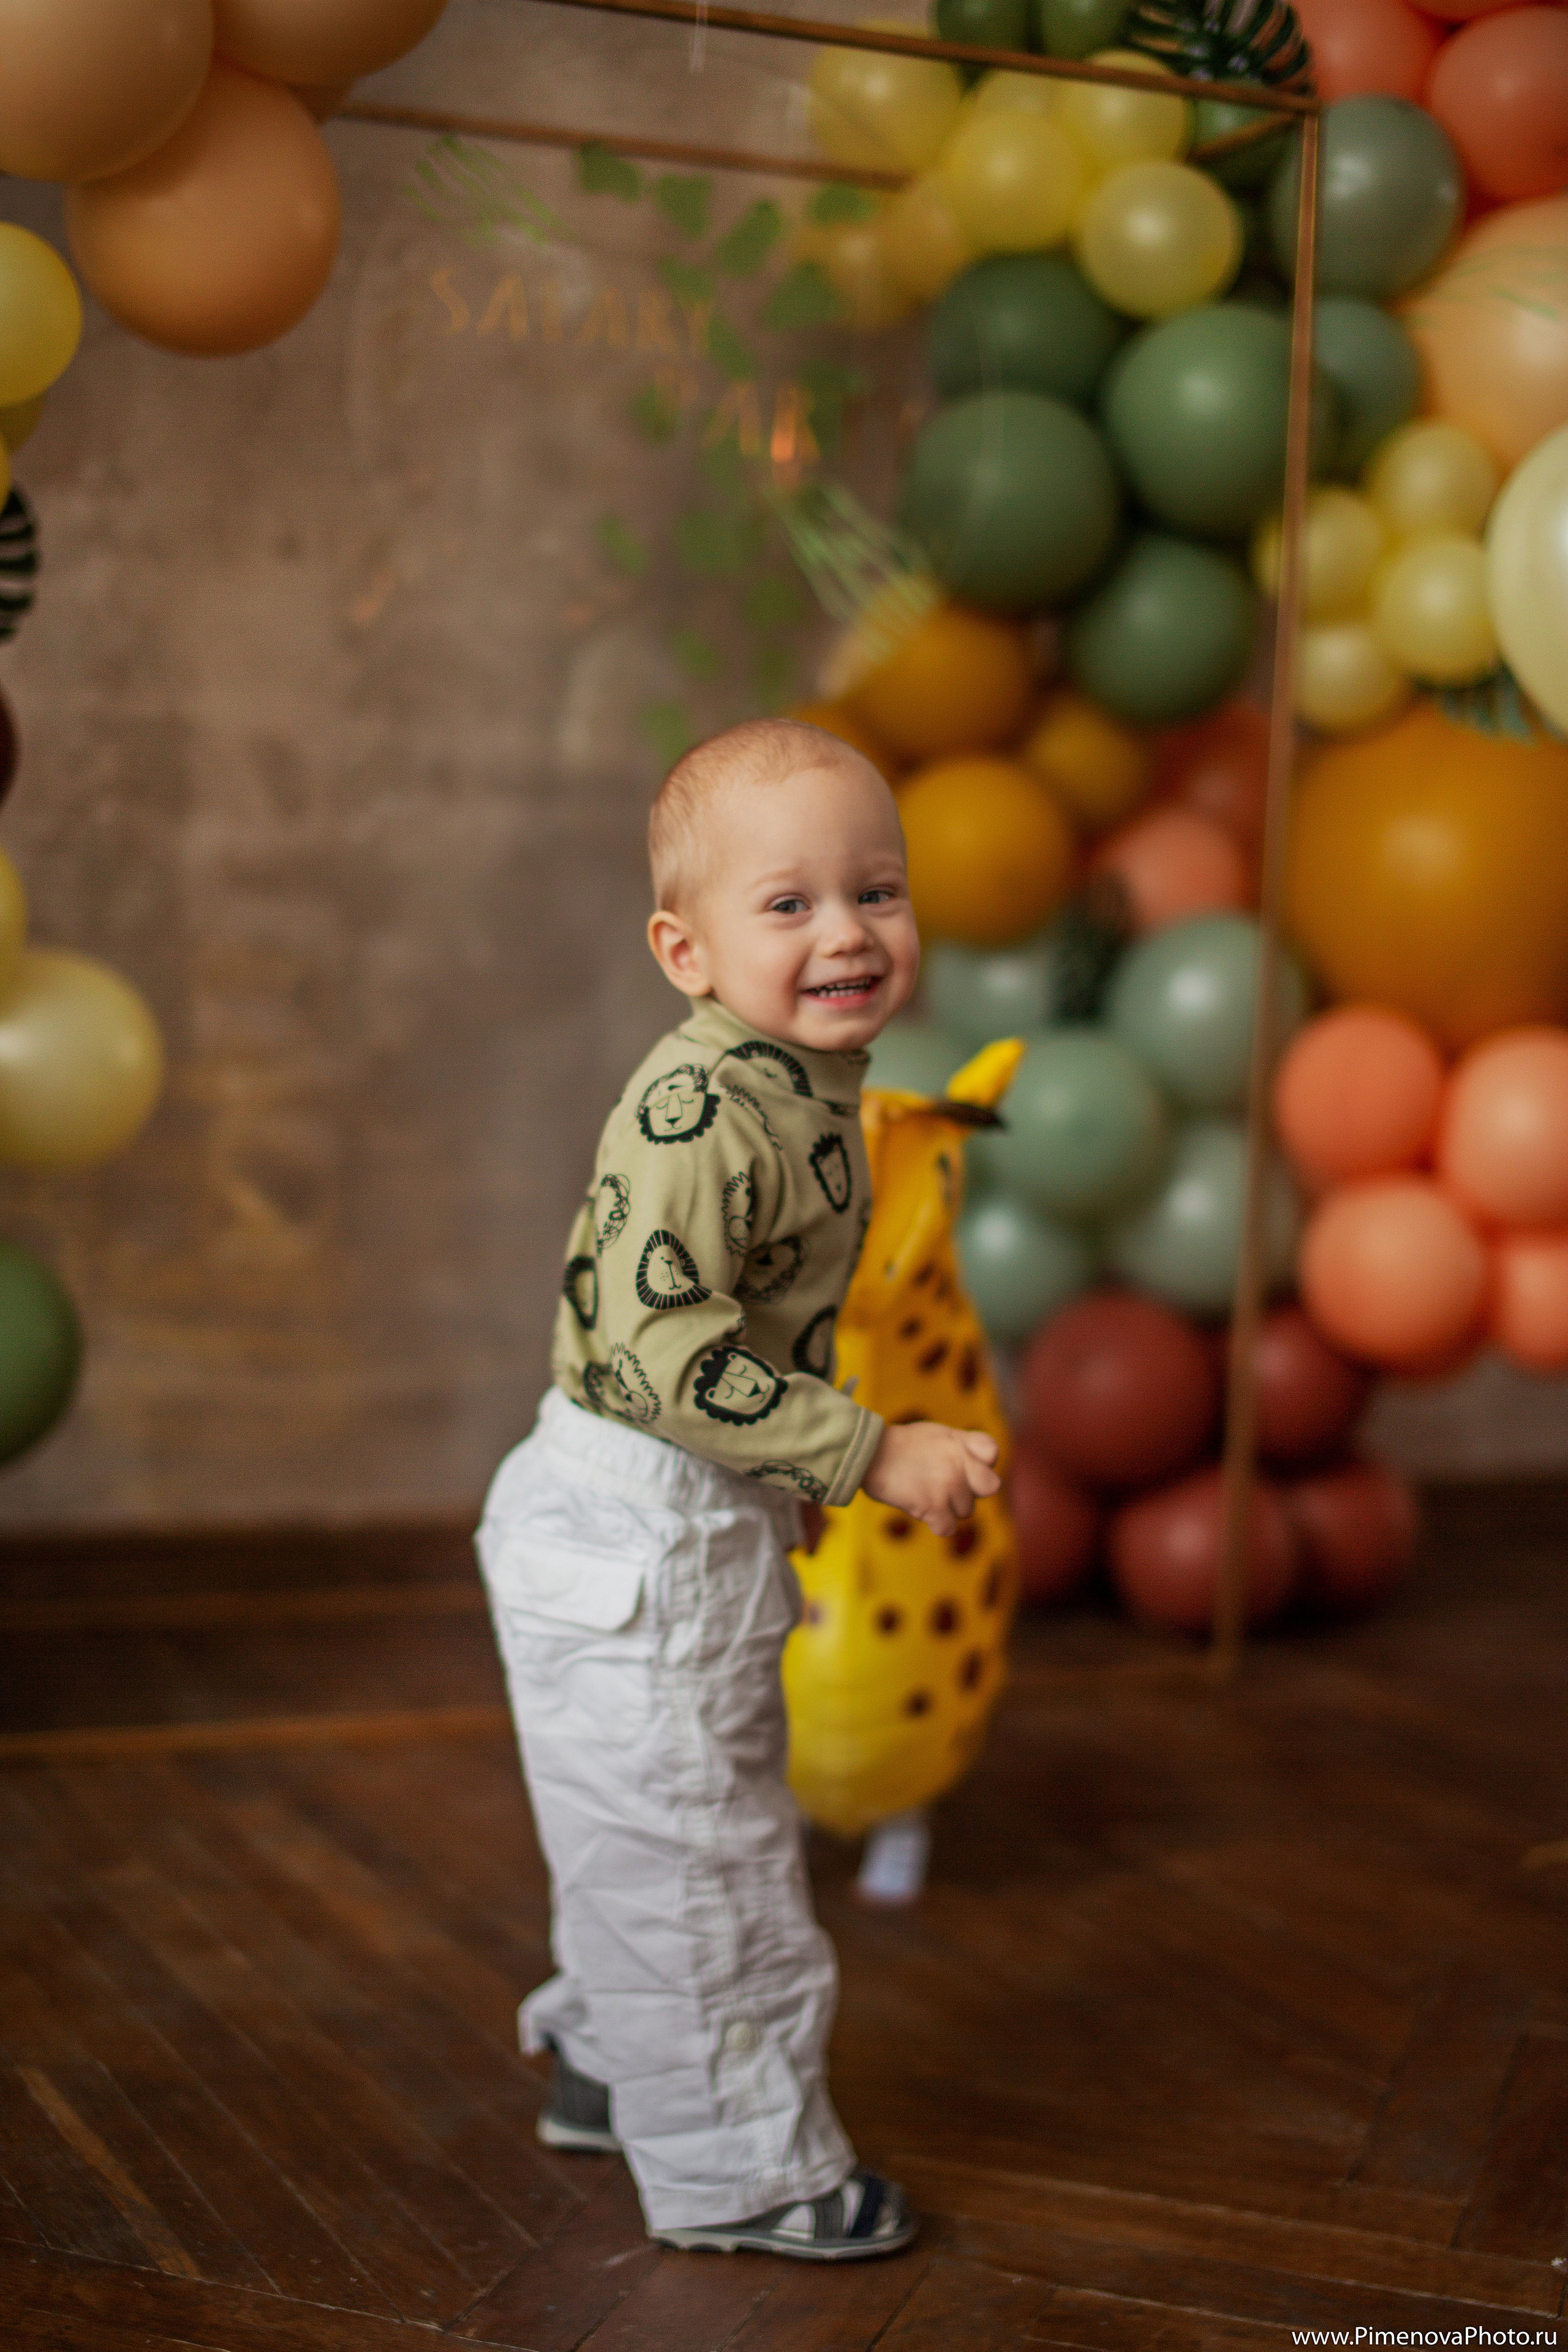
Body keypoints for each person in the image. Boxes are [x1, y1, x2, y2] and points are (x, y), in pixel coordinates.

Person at [477, 718, 1000, 2260]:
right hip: (636, 1511)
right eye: (788, 905)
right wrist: (869, 1448)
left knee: (655, 1821)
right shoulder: (699, 1111)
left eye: (876, 891)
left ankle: (604, 2070)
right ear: (682, 950)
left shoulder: (800, 1075)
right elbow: (653, 1352)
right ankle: (750, 2176)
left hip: (680, 1521)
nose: (847, 930)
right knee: (703, 1864)